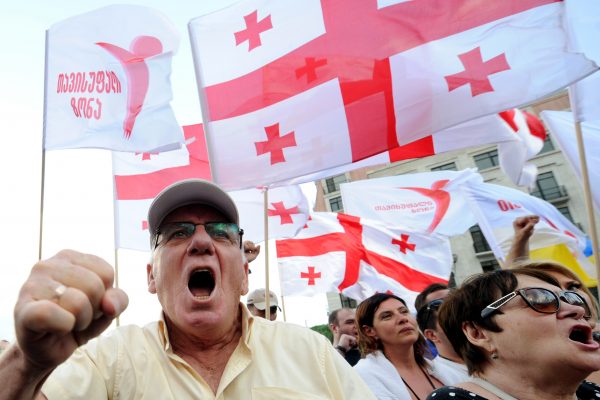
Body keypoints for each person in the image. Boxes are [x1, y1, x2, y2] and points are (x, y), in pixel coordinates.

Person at [1, 178, 376, 399]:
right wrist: (27, 364)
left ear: (244, 276)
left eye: (221, 234)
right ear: (151, 276)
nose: (201, 243)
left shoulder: (311, 353)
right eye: (177, 234)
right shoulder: (108, 360)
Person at [428, 267, 600, 399]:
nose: (576, 309)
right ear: (478, 333)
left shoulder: (591, 391)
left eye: (572, 298)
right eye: (541, 299)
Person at [354, 293, 459, 399]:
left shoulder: (444, 370)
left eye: (404, 311)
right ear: (369, 331)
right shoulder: (363, 375)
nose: (402, 319)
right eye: (387, 316)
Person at [416, 296, 468, 383]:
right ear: (432, 335)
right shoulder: (439, 376)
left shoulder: (491, 353)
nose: (463, 324)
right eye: (451, 320)